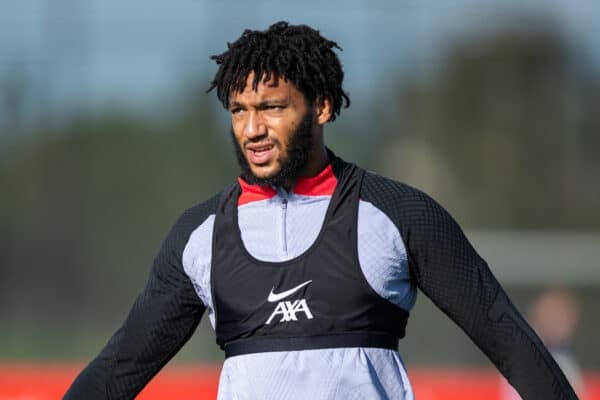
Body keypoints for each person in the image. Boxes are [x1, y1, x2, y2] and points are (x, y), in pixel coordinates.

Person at [64, 21, 577, 400]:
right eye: (240, 110)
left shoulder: (399, 215)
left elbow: (509, 340)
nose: (252, 129)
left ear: (323, 106)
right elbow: (120, 368)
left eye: (272, 107)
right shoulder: (198, 236)